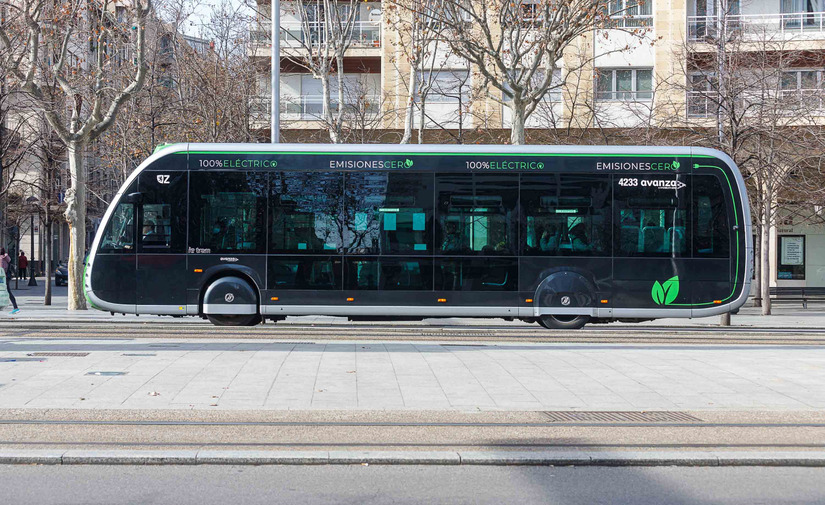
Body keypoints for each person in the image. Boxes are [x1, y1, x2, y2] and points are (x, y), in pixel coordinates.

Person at [0, 248, 19, 314]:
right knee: (8, 292)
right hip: (6, 277)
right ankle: (15, 307)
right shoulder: (6, 258)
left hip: (2, 278)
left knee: (8, 292)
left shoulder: (1, 259)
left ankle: (15, 307)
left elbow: (1, 270)